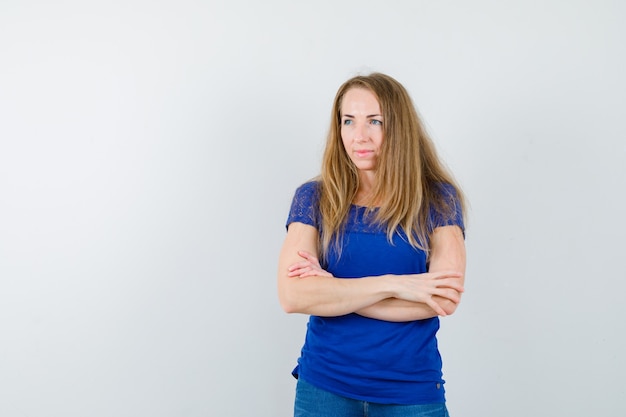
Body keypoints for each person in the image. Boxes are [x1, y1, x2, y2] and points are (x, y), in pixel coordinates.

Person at [277, 72, 466, 417]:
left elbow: (442, 298)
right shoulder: (314, 198)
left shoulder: (438, 200)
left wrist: (333, 291)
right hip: (324, 387)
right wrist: (395, 285)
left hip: (411, 391)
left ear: (398, 127)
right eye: (348, 121)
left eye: (374, 121)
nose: (359, 136)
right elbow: (293, 296)